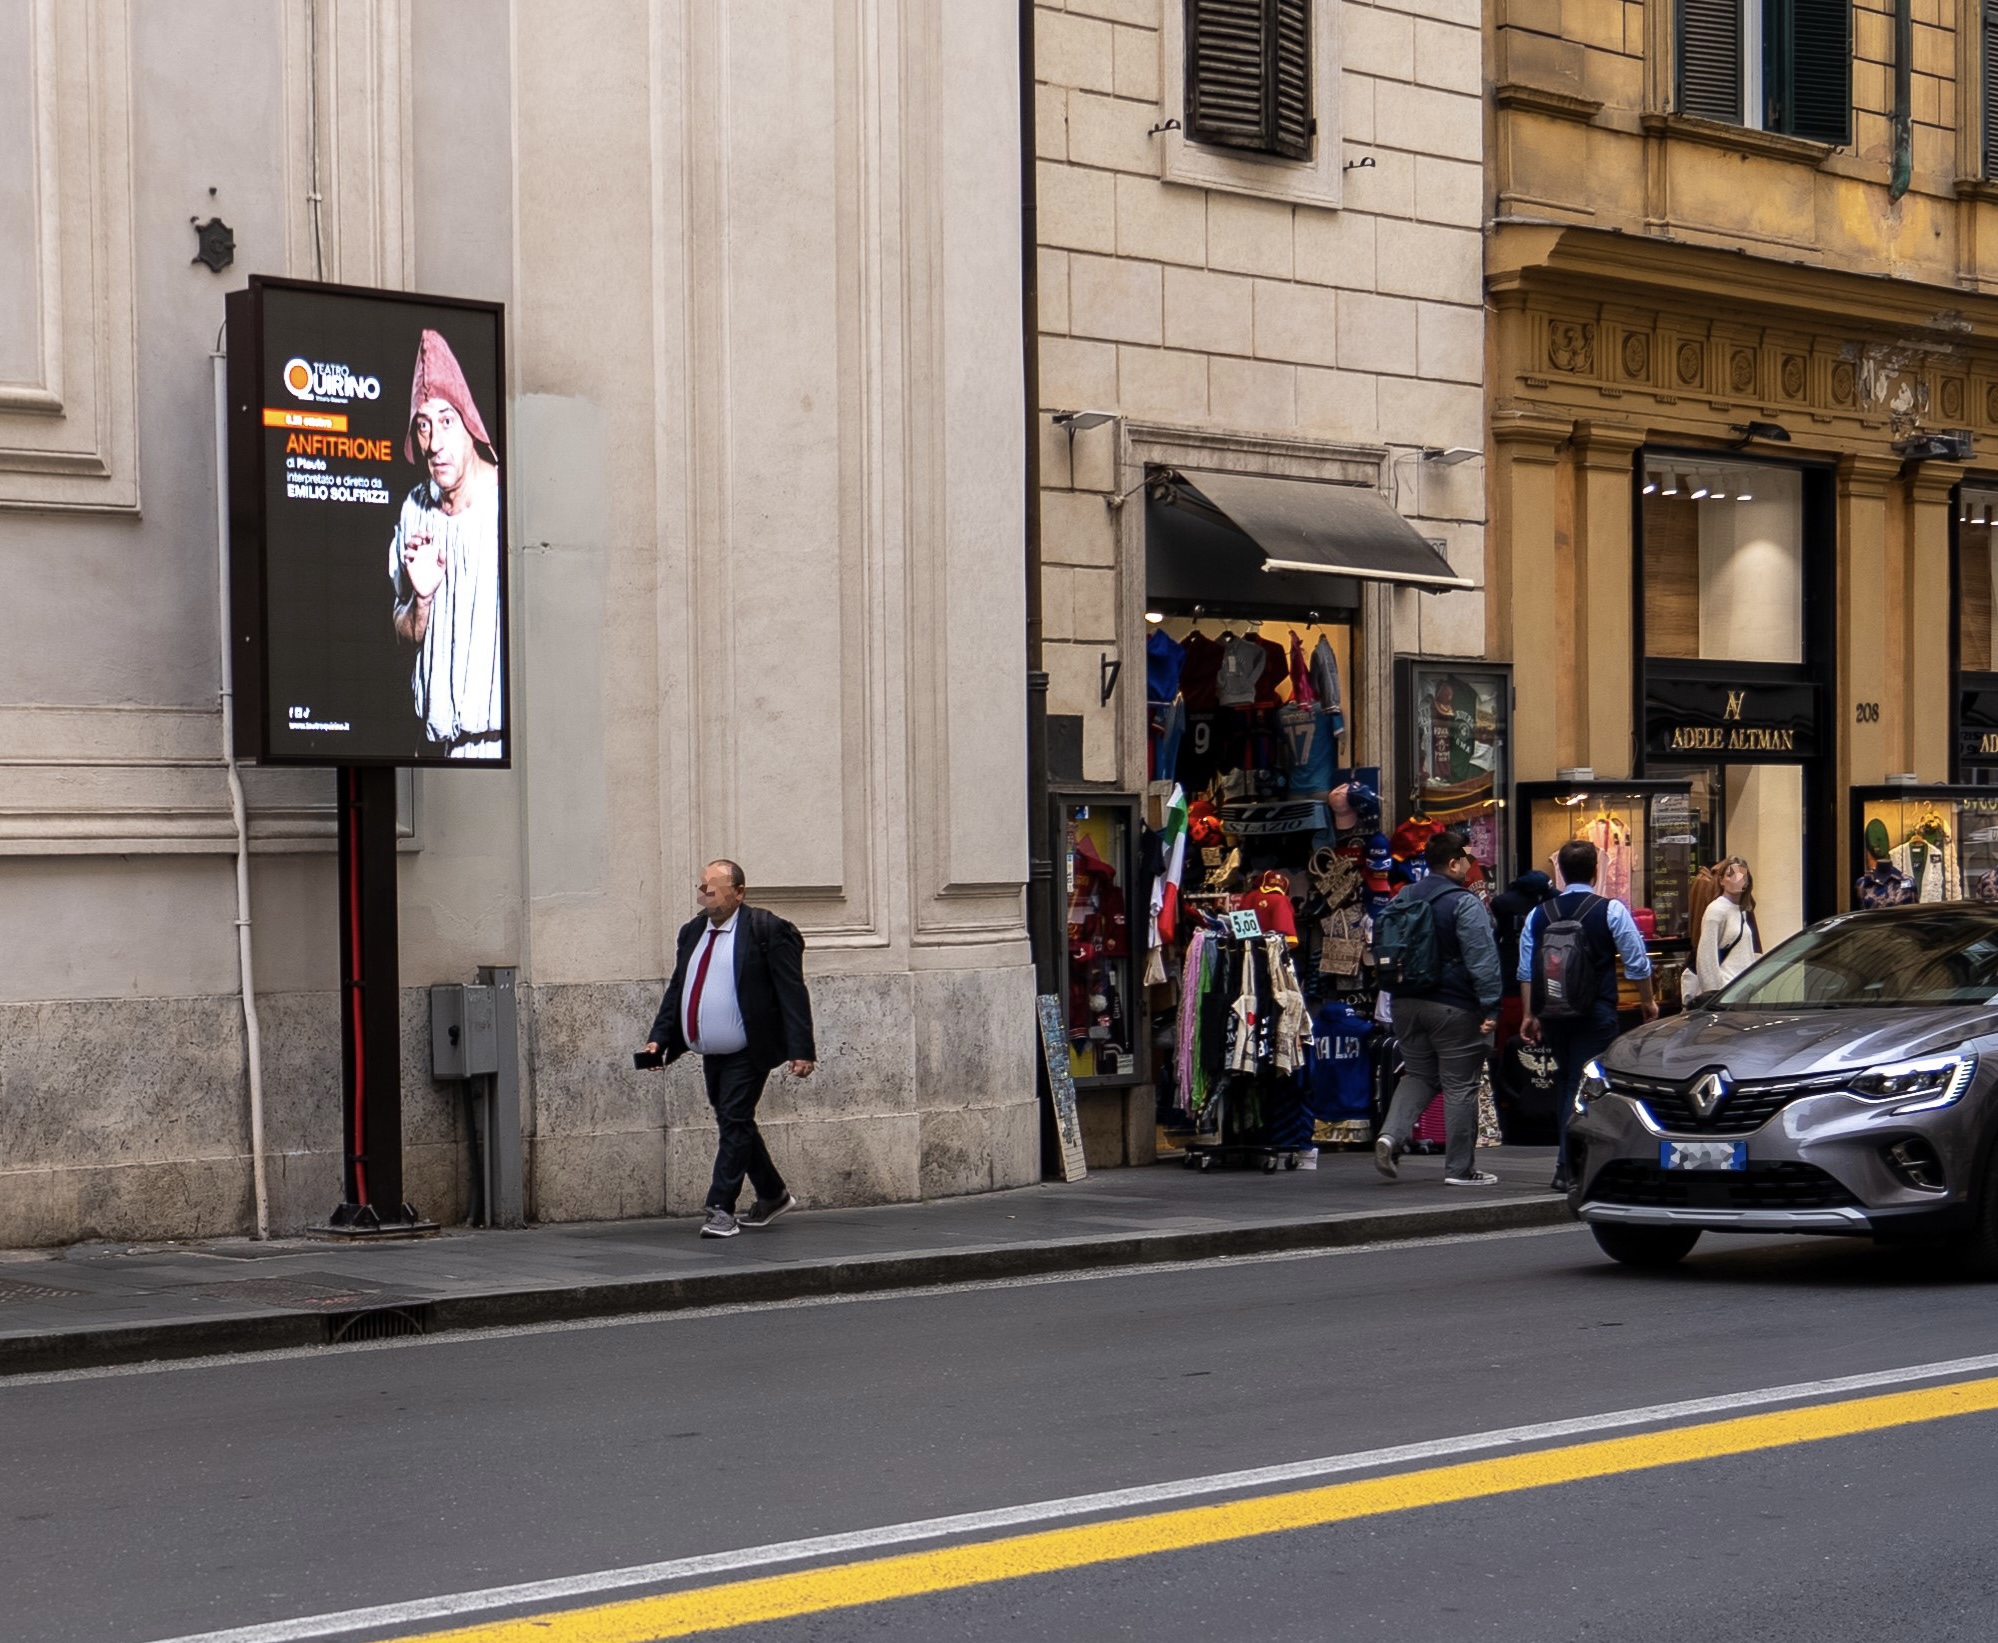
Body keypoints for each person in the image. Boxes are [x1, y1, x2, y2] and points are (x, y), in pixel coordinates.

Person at [643, 860, 817, 1238]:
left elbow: (792, 991)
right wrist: (660, 1039)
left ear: (739, 892)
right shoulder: (692, 932)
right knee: (733, 1120)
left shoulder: (766, 929)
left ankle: (720, 1208)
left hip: (748, 1050)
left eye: (717, 888)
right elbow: (679, 990)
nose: (708, 895)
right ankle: (772, 1194)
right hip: (710, 1051)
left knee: (734, 1119)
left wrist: (801, 1050)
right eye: (704, 887)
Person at [389, 328, 504, 758]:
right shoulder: (414, 510)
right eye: (423, 426)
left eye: (446, 422)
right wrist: (421, 600)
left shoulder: (509, 506)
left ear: (469, 424)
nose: (434, 444)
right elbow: (403, 630)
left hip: (504, 750)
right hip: (435, 755)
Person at [1519, 839, 1657, 1193]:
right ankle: (1577, 1166)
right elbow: (1636, 961)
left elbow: (1526, 969)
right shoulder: (1609, 910)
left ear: (1560, 873)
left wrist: (1529, 1014)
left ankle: (1566, 1166)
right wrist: (1648, 1002)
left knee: (1566, 1081)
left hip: (1551, 1011)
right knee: (1590, 1086)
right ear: (1597, 871)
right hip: (1595, 1011)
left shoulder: (1539, 913)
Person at [1373, 830, 1505, 1188]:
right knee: (1461, 1085)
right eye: (1466, 860)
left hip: (1404, 1003)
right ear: (1452, 863)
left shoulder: (1403, 898)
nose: (1469, 867)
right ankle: (1460, 1170)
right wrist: (1492, 1008)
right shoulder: (1463, 903)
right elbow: (1483, 960)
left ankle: (1390, 1136)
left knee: (1418, 1075)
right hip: (1453, 1007)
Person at [1693, 856, 1761, 998]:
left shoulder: (1742, 910)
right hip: (1727, 992)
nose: (1737, 879)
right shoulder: (1716, 910)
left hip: (1743, 992)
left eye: (1741, 875)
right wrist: (1714, 993)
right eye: (1731, 875)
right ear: (1722, 880)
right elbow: (1706, 956)